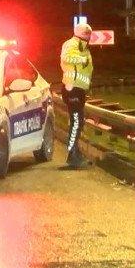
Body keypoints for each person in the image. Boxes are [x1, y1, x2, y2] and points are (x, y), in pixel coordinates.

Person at [59, 22, 94, 168]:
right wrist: (82, 59)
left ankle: (75, 153)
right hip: (72, 89)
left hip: (78, 89)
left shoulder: (82, 46)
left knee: (78, 122)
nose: (89, 37)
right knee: (77, 121)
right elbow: (66, 58)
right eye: (87, 34)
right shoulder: (72, 44)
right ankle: (72, 155)